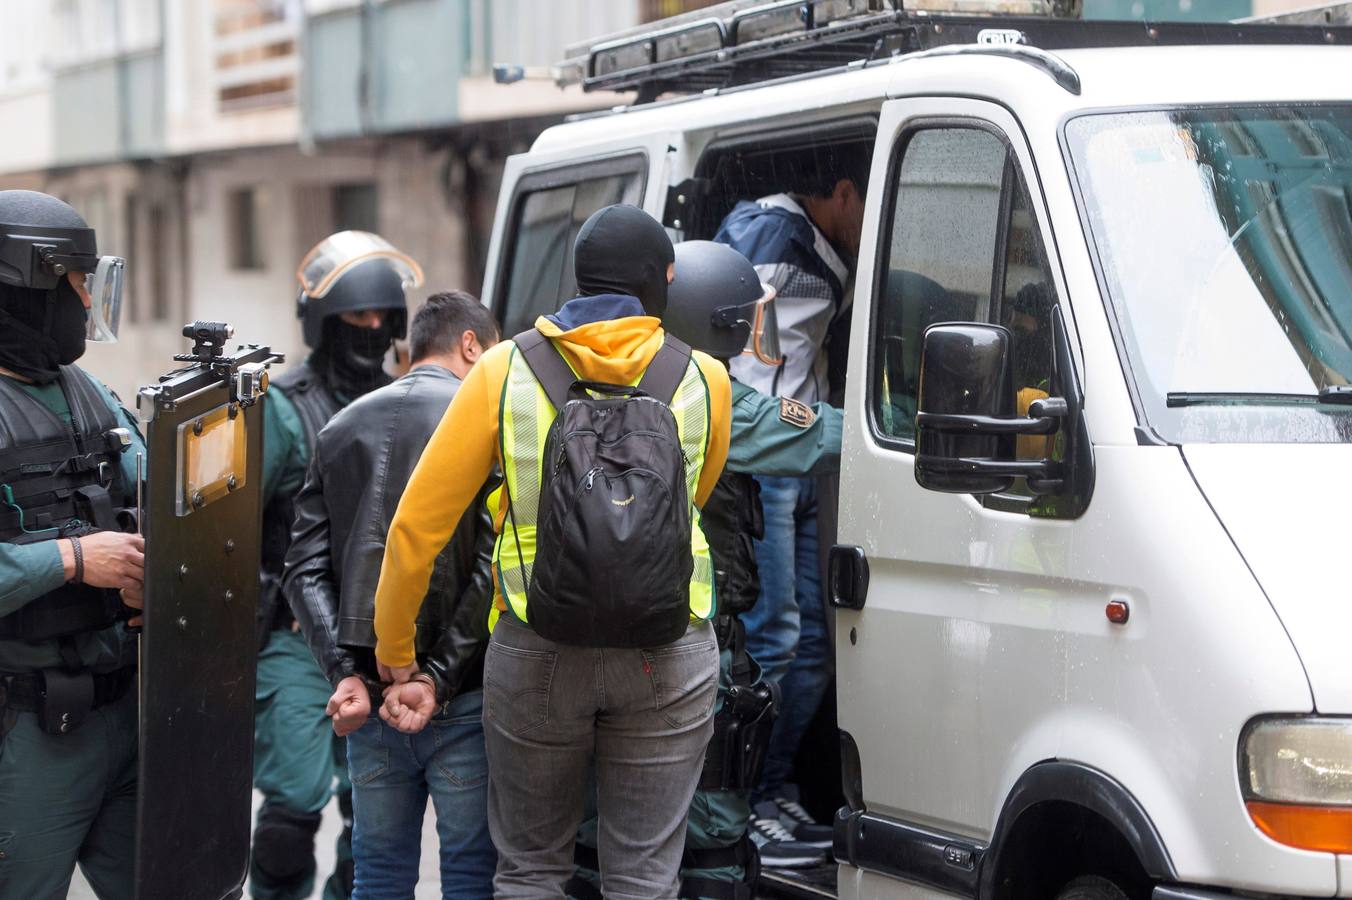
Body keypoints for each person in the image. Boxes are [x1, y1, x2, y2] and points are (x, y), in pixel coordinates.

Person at [371, 205, 732, 899]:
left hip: (538, 648)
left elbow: (417, 527)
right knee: (645, 877)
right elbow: (695, 498)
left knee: (532, 870)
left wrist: (396, 650)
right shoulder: (705, 378)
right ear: (660, 282)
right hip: (669, 648)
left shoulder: (503, 371)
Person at [566, 240, 846, 898]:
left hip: (572, 641)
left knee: (594, 839)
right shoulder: (715, 395)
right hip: (688, 644)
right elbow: (822, 432)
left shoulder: (563, 380)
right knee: (712, 844)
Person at [283, 291, 501, 899]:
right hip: (463, 698)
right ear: (469, 345)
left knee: (377, 873)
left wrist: (344, 671)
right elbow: (494, 568)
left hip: (370, 701)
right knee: (468, 872)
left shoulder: (338, 426)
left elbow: (302, 569)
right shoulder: (485, 423)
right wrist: (435, 676)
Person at [252, 231, 422, 900]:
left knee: (372, 823)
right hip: (295, 638)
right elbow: (231, 532)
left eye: (383, 317)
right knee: (290, 819)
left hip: (379, 638)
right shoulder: (282, 408)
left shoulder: (409, 403)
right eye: (357, 316)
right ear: (324, 321)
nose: (373, 329)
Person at [712, 149, 869, 842]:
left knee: (810, 645)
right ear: (841, 194)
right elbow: (744, 385)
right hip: (772, 463)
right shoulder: (774, 243)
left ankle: (773, 792)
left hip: (804, 465)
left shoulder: (804, 242)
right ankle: (744, 804)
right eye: (870, 202)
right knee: (774, 640)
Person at [0, 190, 146, 899]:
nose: (88, 301)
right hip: (26, 729)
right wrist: (75, 559)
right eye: (77, 283)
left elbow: (156, 497)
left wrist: (159, 568)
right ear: (27, 287)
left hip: (125, 708)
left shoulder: (92, 392)